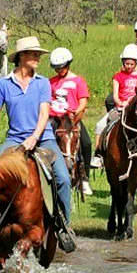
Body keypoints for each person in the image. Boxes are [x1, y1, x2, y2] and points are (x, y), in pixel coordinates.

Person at [0, 36, 76, 252]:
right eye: (34, 54)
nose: (38, 58)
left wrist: (35, 136)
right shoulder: (4, 84)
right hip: (14, 139)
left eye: (38, 55)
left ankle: (63, 226)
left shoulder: (42, 82)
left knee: (62, 178)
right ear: (21, 57)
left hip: (44, 138)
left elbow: (44, 112)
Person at [90, 44, 137, 169]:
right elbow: (115, 95)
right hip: (121, 108)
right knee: (100, 125)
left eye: (131, 64)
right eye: (126, 63)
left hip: (136, 109)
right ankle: (99, 155)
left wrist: (133, 103)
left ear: (136, 63)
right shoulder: (118, 77)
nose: (129, 66)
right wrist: (121, 103)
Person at [47, 47, 93, 196]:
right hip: (55, 118)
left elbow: (83, 101)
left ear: (68, 64)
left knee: (86, 143)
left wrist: (76, 114)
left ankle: (84, 176)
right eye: (56, 68)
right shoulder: (51, 82)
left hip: (72, 118)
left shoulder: (78, 81)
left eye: (61, 67)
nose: (59, 71)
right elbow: (47, 101)